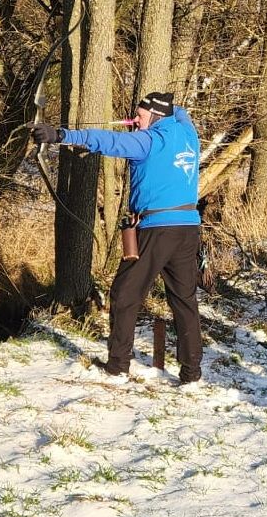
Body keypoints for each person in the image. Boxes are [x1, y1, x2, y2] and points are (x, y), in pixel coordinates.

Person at [31, 92, 203, 384]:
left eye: (141, 115)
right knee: (184, 300)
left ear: (156, 115)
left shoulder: (147, 142)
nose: (136, 119)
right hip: (187, 229)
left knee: (124, 295)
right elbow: (180, 111)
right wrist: (153, 112)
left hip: (156, 229)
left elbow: (106, 140)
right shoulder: (188, 134)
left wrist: (60, 135)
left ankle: (118, 366)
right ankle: (191, 373)